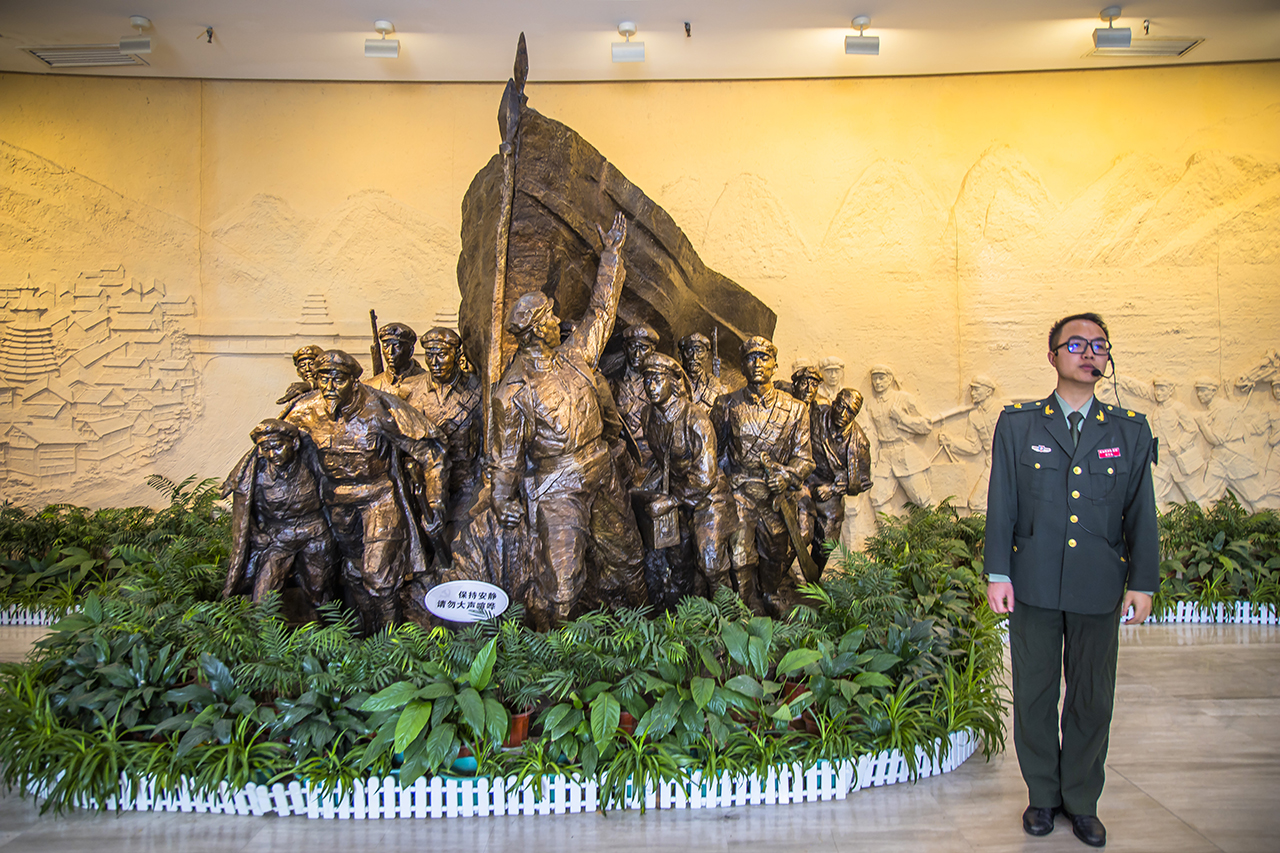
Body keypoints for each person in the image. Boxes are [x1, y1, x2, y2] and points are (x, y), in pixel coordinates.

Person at [984, 313, 1158, 848]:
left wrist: (1143, 582)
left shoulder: (1129, 430)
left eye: (1099, 345)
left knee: (1091, 696)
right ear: (1053, 355)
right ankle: (1042, 796)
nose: (1089, 353)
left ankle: (1082, 801)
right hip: (1033, 582)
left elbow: (1141, 511)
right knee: (1035, 694)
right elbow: (1002, 503)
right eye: (1077, 344)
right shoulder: (1019, 425)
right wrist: (997, 572)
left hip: (1098, 583)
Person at [489, 213, 647, 628]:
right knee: (562, 584)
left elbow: (601, 313)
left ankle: (641, 632)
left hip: (601, 470)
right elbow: (506, 457)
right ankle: (561, 655)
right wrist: (501, 499)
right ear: (535, 330)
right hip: (557, 488)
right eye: (550, 318)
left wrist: (611, 257)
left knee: (628, 556)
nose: (558, 322)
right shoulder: (513, 392)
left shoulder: (575, 356)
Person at [285, 350, 448, 635]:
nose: (329, 387)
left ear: (354, 381)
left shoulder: (381, 408)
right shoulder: (304, 412)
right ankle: (366, 637)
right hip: (336, 503)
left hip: (378, 499)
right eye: (323, 379)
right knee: (352, 570)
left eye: (338, 379)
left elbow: (430, 451)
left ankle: (391, 644)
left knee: (378, 573)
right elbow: (276, 448)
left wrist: (435, 502)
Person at [712, 335, 814, 617]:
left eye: (763, 357)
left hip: (776, 495)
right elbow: (716, 453)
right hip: (739, 491)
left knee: (775, 553)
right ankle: (744, 604)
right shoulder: (726, 405)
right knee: (740, 554)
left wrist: (788, 476)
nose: (757, 363)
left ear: (775, 365)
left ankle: (770, 593)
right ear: (742, 366)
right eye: (750, 358)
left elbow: (805, 458)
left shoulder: (795, 409)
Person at [638, 352, 734, 606]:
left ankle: (729, 617)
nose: (650, 386)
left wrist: (671, 500)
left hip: (707, 497)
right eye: (646, 380)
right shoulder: (647, 415)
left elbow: (705, 476)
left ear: (672, 382)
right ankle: (685, 617)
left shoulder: (696, 420)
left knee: (711, 563)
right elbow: (660, 460)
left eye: (657, 379)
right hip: (676, 497)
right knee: (678, 563)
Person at [221, 419, 336, 608]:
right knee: (263, 598)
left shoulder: (311, 463)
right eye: (266, 449)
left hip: (314, 533)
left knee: (320, 592)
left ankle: (327, 624)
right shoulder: (256, 476)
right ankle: (265, 626)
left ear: (294, 443)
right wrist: (255, 534)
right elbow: (244, 514)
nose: (272, 454)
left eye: (277, 447)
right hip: (278, 537)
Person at [407, 326, 483, 556]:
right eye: (429, 355)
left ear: (457, 355)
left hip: (465, 485)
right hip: (424, 484)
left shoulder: (478, 389)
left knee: (459, 548)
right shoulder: (410, 390)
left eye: (441, 354)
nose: (435, 362)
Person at [805, 388, 872, 572]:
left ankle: (813, 580)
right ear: (834, 403)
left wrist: (833, 490)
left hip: (831, 488)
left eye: (850, 411)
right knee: (798, 531)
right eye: (841, 407)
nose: (843, 414)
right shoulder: (816, 414)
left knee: (828, 539)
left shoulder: (859, 443)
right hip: (804, 480)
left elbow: (863, 481)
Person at [865, 364, 934, 510]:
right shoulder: (870, 405)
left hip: (905, 453)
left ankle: (938, 524)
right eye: (874, 379)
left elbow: (926, 426)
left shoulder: (904, 399)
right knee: (877, 498)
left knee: (921, 499)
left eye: (881, 378)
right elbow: (872, 436)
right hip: (885, 455)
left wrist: (902, 417)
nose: (877, 382)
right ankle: (887, 526)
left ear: (890, 379)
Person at [938, 374, 1000, 513]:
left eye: (977, 389)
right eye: (972, 389)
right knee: (976, 502)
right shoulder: (975, 416)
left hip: (1011, 464)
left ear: (988, 391)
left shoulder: (1002, 409)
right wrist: (950, 442)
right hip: (993, 464)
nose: (972, 393)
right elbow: (974, 446)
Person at [610, 323, 660, 471]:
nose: (637, 354)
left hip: (652, 459)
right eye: (633, 347)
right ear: (625, 348)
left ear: (652, 350)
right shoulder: (611, 384)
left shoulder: (661, 387)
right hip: (620, 457)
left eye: (643, 348)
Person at [367, 322, 433, 399]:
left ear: (410, 350)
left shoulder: (428, 383)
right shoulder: (371, 385)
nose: (390, 352)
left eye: (397, 346)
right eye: (386, 346)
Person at [678, 332, 729, 412]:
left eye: (699, 351)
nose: (694, 357)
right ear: (680, 356)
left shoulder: (718, 388)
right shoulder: (673, 384)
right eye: (689, 351)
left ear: (706, 356)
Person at [277, 344, 324, 410]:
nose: (307, 369)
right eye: (302, 366)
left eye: (311, 364)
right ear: (298, 372)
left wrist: (311, 384)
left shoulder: (331, 389)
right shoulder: (298, 393)